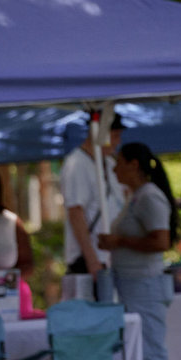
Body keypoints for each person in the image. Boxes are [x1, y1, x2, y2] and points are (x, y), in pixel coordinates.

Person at [97, 142, 179, 360]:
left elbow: (161, 242)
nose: (114, 167)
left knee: (152, 354)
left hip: (145, 284)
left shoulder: (149, 197)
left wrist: (119, 242)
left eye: (119, 161)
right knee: (144, 353)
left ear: (134, 164)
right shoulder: (136, 197)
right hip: (133, 284)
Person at [60, 113, 126, 279]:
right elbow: (75, 212)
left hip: (111, 258)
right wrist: (92, 260)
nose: (118, 142)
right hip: (91, 262)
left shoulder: (109, 163)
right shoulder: (77, 164)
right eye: (115, 136)